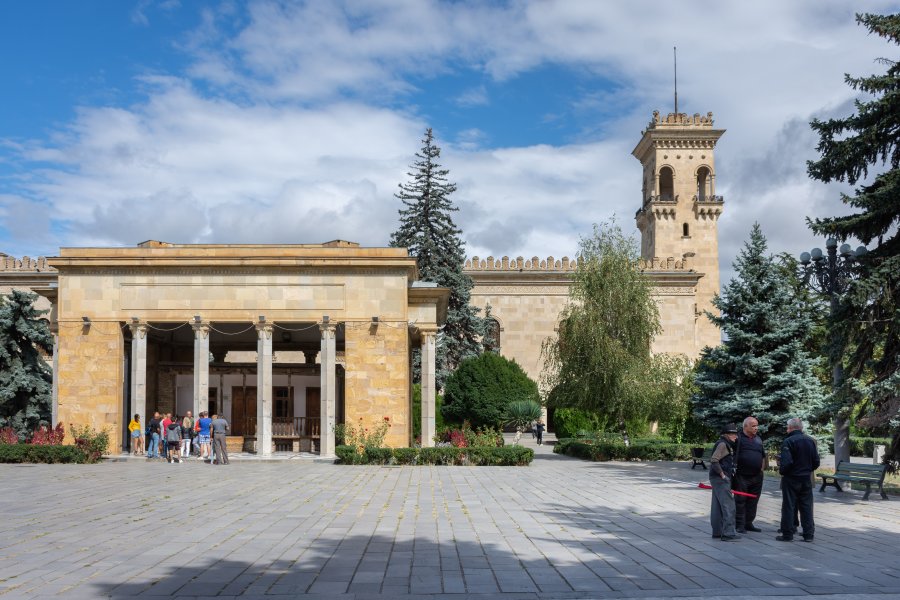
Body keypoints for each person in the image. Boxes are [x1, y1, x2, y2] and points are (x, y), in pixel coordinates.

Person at [777, 417, 820, 542]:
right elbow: (816, 461)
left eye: (787, 427)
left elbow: (787, 462)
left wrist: (783, 471)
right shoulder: (810, 441)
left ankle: (787, 534)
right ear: (801, 428)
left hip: (791, 478)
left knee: (789, 505)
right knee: (806, 506)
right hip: (806, 478)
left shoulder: (788, 441)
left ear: (790, 428)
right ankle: (808, 534)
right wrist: (807, 470)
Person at [733, 416, 765, 533]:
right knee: (740, 500)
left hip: (757, 476)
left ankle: (748, 523)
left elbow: (762, 456)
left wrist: (761, 470)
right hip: (742, 475)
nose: (756, 428)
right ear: (745, 426)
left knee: (753, 501)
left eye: (757, 425)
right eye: (753, 426)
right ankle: (739, 525)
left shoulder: (758, 439)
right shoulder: (738, 438)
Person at [709, 423, 740, 541]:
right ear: (727, 434)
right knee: (729, 506)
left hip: (715, 478)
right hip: (721, 479)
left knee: (716, 506)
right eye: (733, 434)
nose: (736, 437)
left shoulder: (723, 443)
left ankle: (717, 531)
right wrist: (723, 475)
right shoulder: (723, 444)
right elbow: (714, 460)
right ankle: (728, 533)